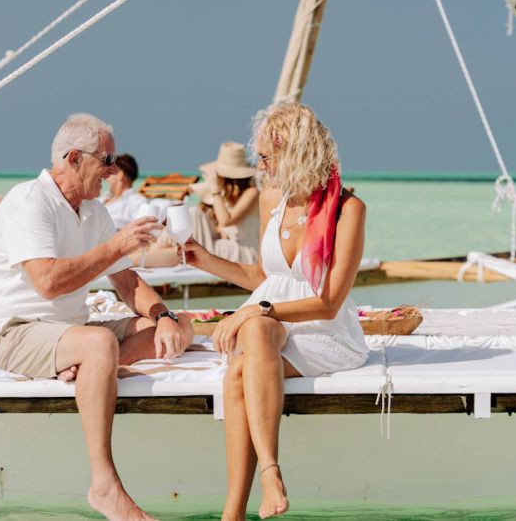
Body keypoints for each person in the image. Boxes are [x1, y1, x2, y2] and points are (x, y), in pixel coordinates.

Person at [0, 113, 194, 521]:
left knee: (179, 326)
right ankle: (104, 484)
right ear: (73, 158)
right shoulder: (29, 201)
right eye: (106, 159)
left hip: (65, 333)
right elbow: (49, 283)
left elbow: (126, 283)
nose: (112, 170)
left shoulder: (93, 213)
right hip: (9, 333)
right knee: (100, 342)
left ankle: (89, 367)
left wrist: (162, 315)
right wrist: (116, 246)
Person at [181, 103, 368, 519]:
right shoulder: (272, 199)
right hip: (270, 324)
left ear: (296, 153)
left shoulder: (346, 210)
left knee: (243, 363)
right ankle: (247, 499)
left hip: (323, 329)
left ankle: (253, 490)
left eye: (266, 156)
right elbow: (264, 274)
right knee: (246, 355)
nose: (260, 166)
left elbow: (329, 301)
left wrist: (258, 311)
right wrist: (203, 259)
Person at [190, 141, 261, 263]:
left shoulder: (252, 192)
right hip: (228, 246)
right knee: (177, 241)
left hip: (245, 252)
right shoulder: (225, 196)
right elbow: (222, 226)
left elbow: (226, 221)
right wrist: (220, 231)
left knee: (194, 215)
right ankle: (148, 254)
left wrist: (215, 190)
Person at [102, 153, 148, 229]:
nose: (106, 176)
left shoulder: (137, 202)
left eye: (109, 171)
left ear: (120, 174)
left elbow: (143, 229)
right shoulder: (102, 197)